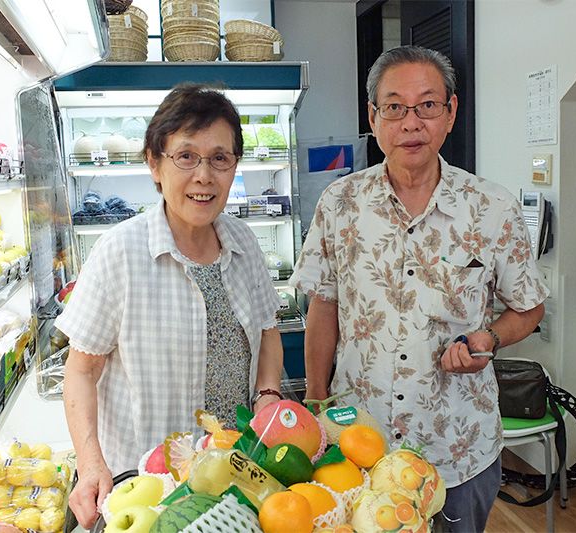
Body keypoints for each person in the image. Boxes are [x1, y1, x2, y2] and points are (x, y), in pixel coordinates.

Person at [289, 46, 548, 532]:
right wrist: (316, 399)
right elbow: (323, 306)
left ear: (450, 113)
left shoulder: (492, 208)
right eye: (394, 107)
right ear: (374, 117)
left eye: (427, 105)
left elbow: (528, 307)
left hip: (457, 449)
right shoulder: (339, 203)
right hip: (357, 444)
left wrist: (488, 338)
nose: (411, 122)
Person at [56, 84, 284, 528]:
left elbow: (267, 330)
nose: (204, 176)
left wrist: (268, 395)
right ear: (154, 163)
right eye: (186, 156)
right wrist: (90, 462)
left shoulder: (243, 243)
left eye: (220, 158)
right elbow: (81, 370)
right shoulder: (120, 252)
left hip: (234, 475)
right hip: (148, 487)